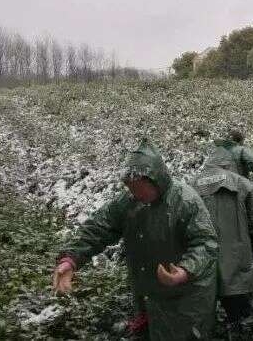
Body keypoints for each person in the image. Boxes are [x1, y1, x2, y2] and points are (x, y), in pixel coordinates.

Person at [52, 140, 218, 340]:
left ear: (156, 181)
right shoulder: (129, 202)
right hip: (149, 295)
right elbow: (99, 226)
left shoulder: (185, 201)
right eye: (131, 189)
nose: (135, 194)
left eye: (139, 188)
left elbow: (206, 243)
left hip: (187, 298)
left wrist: (185, 270)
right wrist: (71, 259)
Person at [192, 145, 253, 330]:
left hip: (199, 271)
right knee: (242, 321)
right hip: (237, 270)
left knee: (202, 327)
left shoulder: (189, 187)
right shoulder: (242, 184)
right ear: (229, 165)